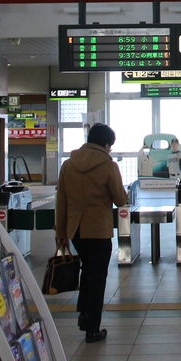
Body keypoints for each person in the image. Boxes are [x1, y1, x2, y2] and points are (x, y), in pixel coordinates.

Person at [54, 123, 130, 343]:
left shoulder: (68, 165)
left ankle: (84, 314)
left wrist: (61, 233)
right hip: (98, 230)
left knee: (87, 272)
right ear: (106, 144)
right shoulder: (108, 165)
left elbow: (62, 202)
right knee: (97, 278)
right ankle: (92, 327)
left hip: (76, 230)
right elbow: (120, 199)